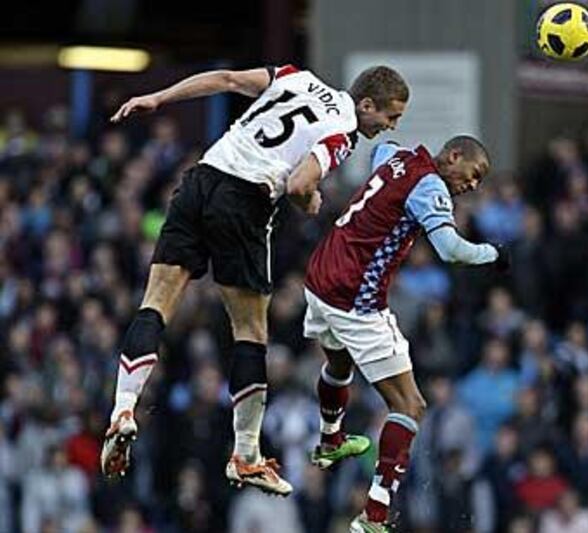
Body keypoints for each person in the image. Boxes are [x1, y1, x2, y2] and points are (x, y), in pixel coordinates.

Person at [100, 63, 410, 498]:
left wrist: (159, 97)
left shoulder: (294, 75)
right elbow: (301, 182)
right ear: (366, 104)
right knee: (250, 332)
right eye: (390, 117)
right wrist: (310, 200)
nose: (390, 126)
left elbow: (225, 79)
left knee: (155, 303)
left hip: (201, 179)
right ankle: (246, 455)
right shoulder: (343, 133)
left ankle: (123, 409)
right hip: (245, 199)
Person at [302, 136, 508, 532]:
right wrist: (495, 254)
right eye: (474, 174)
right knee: (411, 405)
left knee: (339, 361)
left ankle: (330, 439)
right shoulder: (430, 185)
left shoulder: (398, 155)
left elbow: (378, 151)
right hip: (355, 299)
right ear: (454, 156)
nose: (473, 186)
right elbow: (450, 250)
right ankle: (374, 516)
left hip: (320, 279)